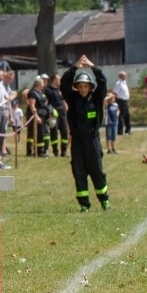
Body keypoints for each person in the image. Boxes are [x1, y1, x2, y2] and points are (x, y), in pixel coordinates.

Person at [60, 55, 109, 212]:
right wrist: (75, 68)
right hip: (77, 142)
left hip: (92, 141)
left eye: (85, 86)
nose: (82, 89)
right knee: (79, 172)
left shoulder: (96, 99)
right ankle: (84, 204)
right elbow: (64, 83)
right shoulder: (72, 99)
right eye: (80, 86)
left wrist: (93, 67)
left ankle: (104, 200)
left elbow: (102, 81)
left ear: (90, 87)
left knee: (97, 171)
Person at [25, 76, 51, 157]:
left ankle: (42, 150)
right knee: (37, 133)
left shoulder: (41, 92)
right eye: (42, 83)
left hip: (43, 115)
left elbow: (45, 102)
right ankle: (38, 152)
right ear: (38, 84)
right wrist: (36, 116)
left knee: (42, 133)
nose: (44, 84)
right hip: (36, 116)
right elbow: (32, 106)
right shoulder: (33, 93)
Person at [111, 71, 131, 135]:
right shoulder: (118, 83)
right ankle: (120, 131)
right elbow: (114, 92)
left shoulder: (124, 83)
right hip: (121, 101)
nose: (126, 76)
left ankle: (128, 130)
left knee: (127, 115)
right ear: (120, 76)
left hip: (125, 101)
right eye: (124, 75)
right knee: (121, 116)